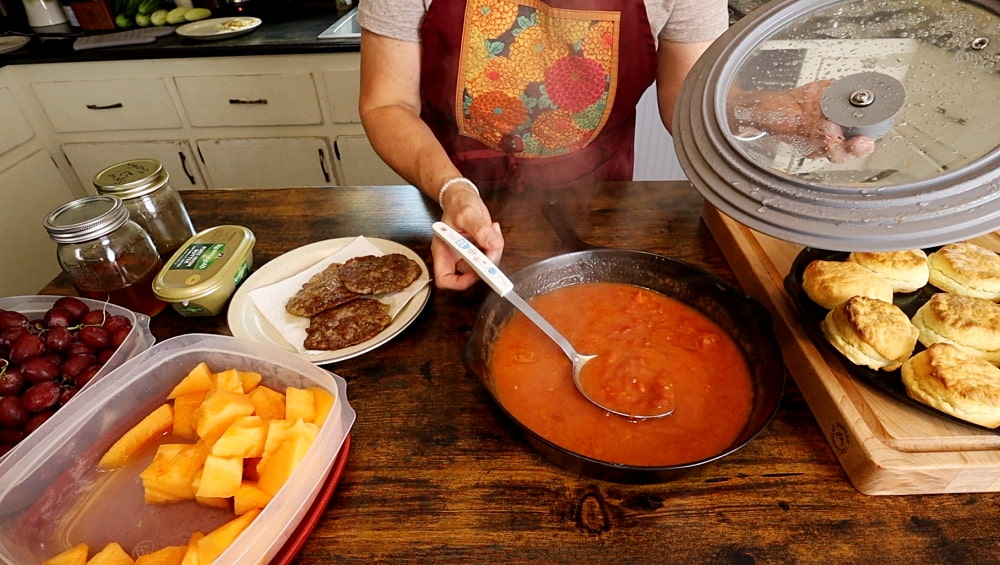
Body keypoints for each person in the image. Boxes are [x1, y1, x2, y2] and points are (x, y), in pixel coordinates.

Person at [358, 0, 874, 291]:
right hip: (451, 189)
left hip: (599, 203)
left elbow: (687, 99)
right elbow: (387, 105)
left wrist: (773, 113)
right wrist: (454, 191)